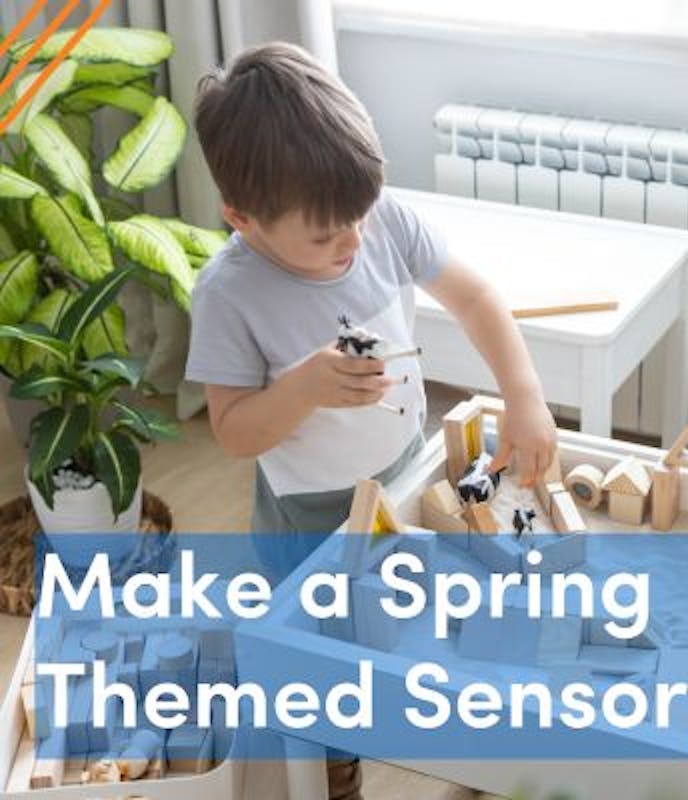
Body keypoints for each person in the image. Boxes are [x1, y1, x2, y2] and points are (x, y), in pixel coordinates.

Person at [185, 41, 557, 799]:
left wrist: (525, 395)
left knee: (407, 620)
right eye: (326, 236)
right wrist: (304, 388)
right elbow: (233, 433)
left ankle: (461, 743)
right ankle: (334, 765)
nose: (353, 240)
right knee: (326, 658)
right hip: (309, 517)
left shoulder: (378, 218)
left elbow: (476, 299)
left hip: (404, 473)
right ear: (242, 217)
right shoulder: (228, 293)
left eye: (357, 216)